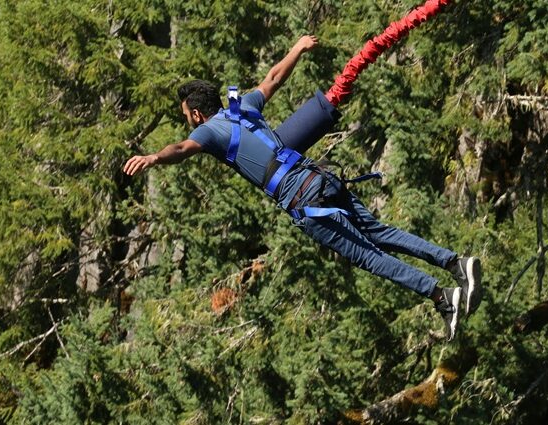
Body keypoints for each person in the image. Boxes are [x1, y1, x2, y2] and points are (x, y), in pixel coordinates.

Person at [123, 35, 483, 340]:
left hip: (301, 197)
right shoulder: (241, 107)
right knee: (379, 232)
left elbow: (182, 149)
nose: (189, 123)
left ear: (197, 115)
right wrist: (296, 49)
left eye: (187, 117)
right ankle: (455, 263)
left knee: (368, 256)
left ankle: (442, 297)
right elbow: (273, 79)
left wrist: (155, 157)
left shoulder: (207, 131)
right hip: (319, 177)